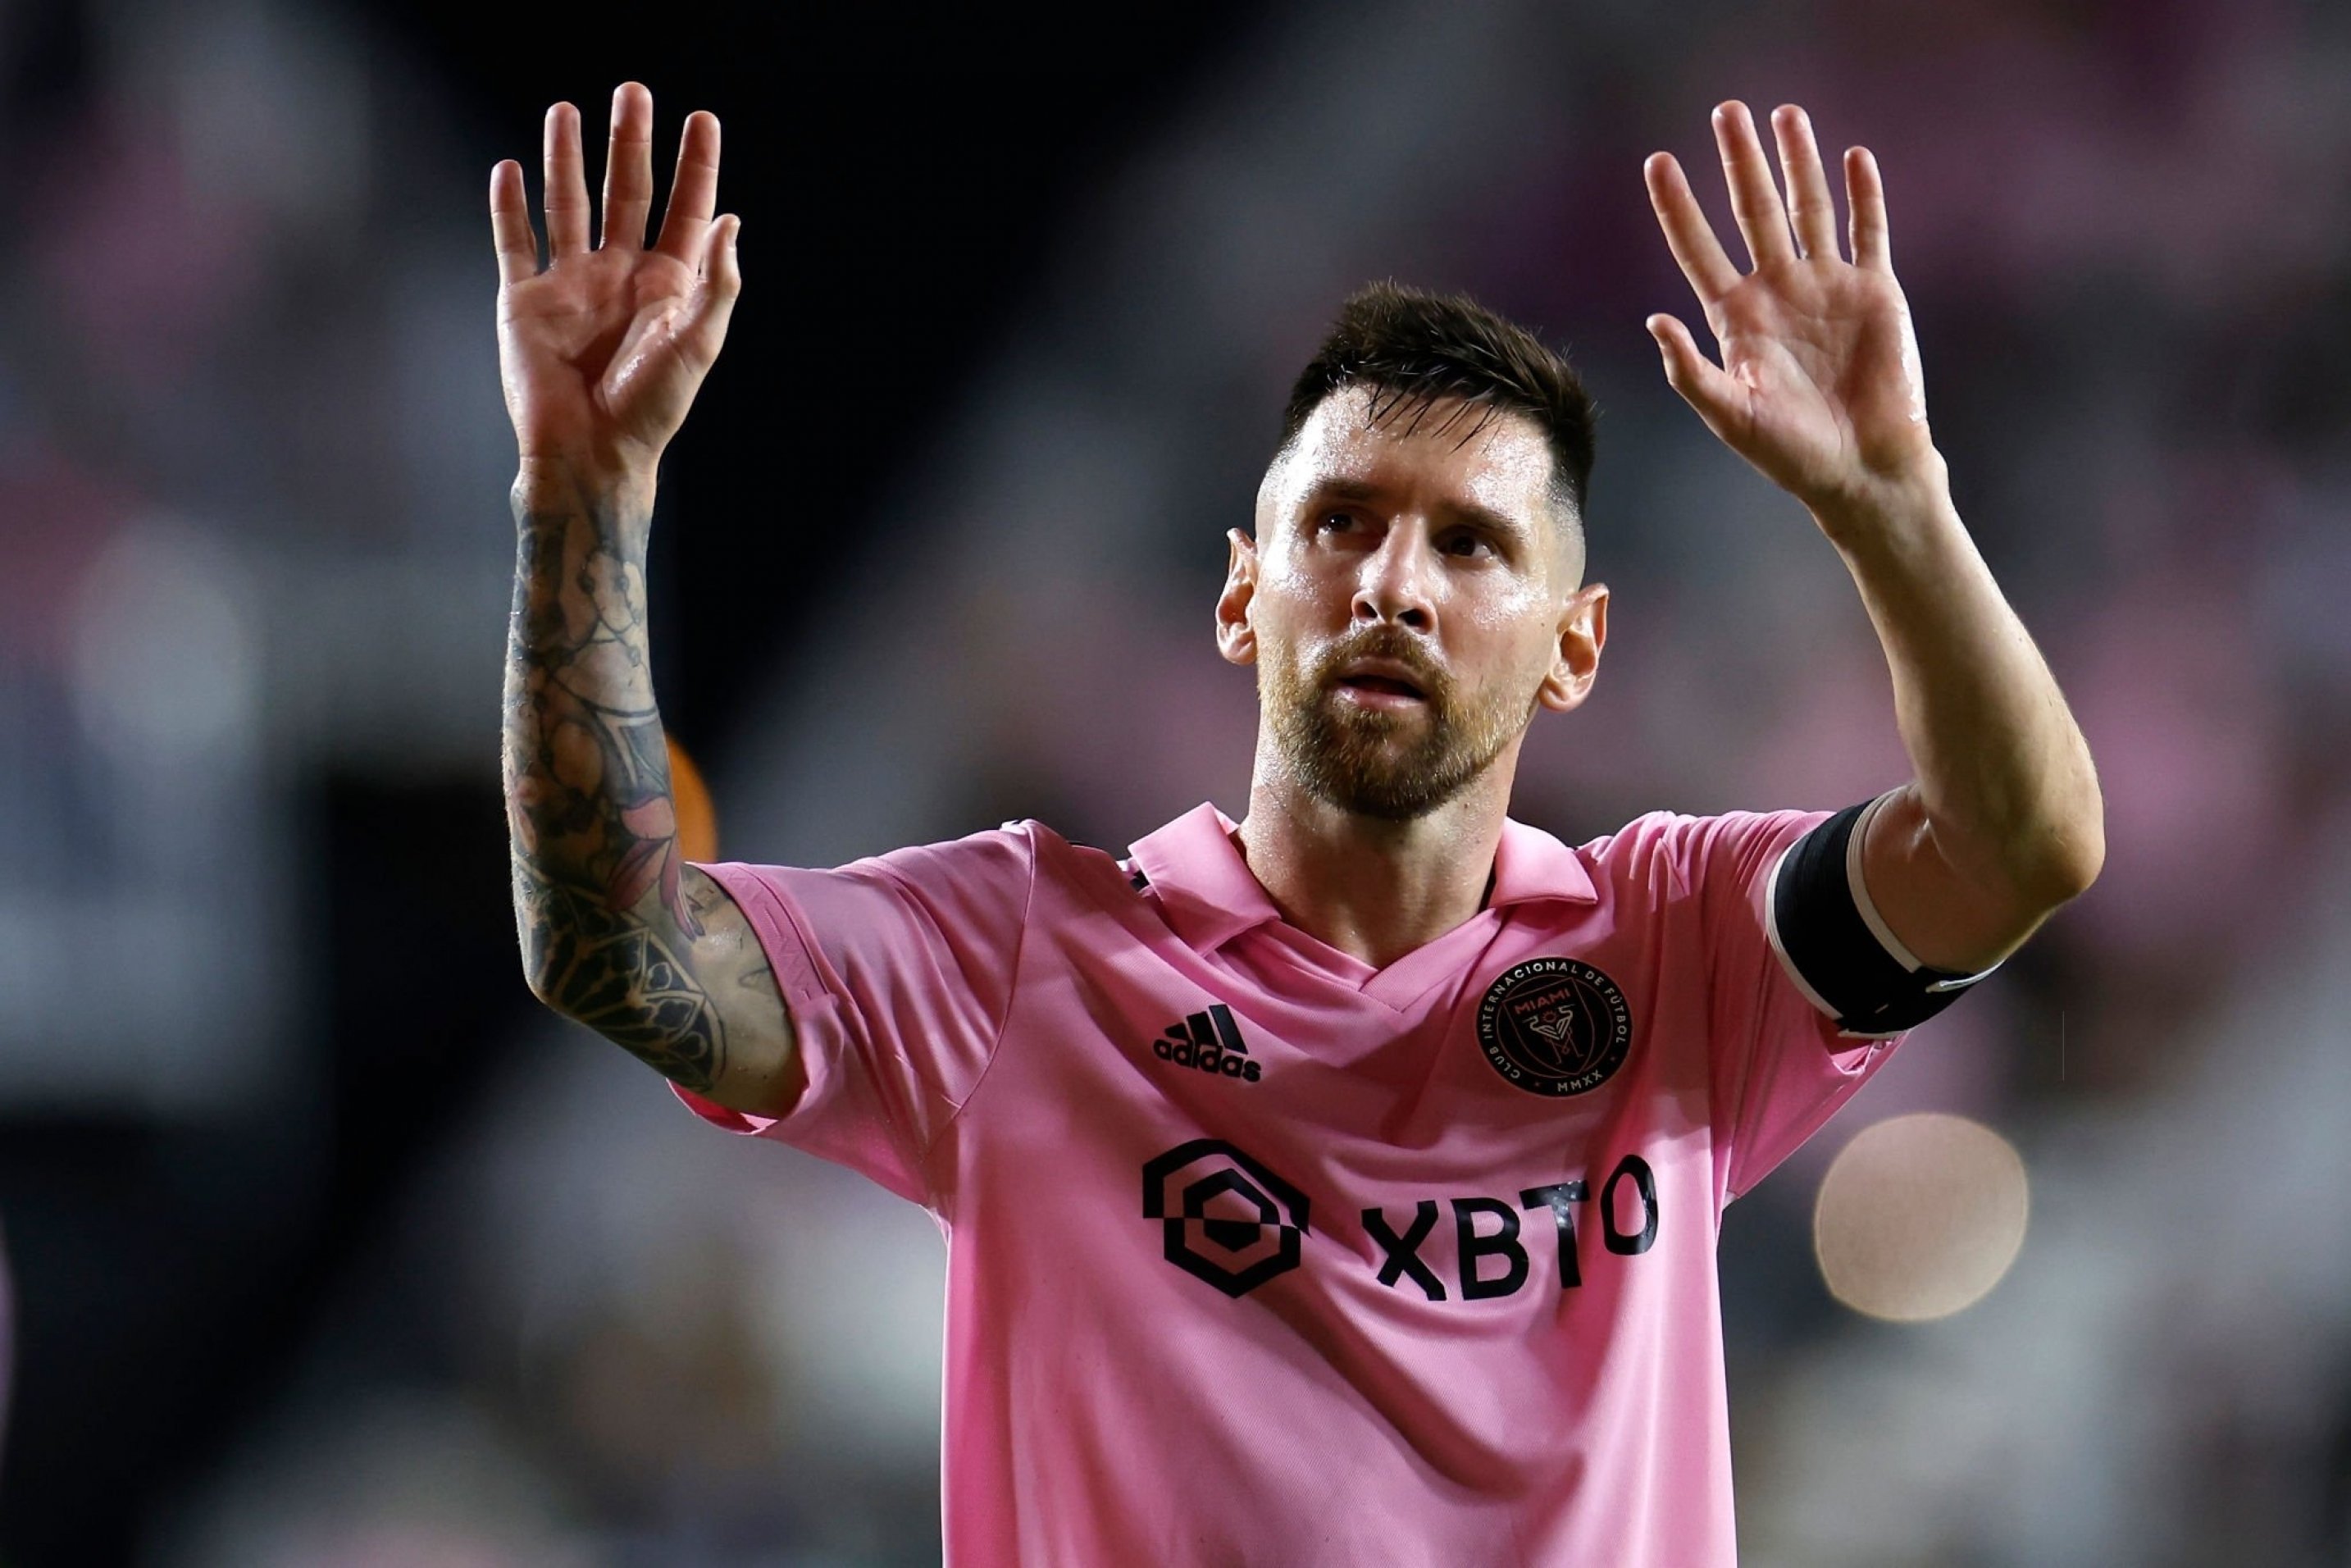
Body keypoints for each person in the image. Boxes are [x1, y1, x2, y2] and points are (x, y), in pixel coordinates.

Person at [494, 82, 2103, 1565]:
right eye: (1341, 522)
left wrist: (1893, 500)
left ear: (1575, 646)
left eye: (1471, 544)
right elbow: (614, 945)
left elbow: (2020, 848)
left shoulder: (1682, 950)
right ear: (1242, 597)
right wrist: (584, 493)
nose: (1394, 582)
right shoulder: (1016, 958)